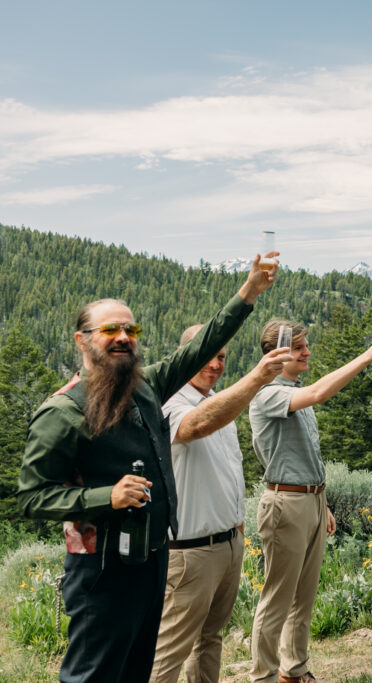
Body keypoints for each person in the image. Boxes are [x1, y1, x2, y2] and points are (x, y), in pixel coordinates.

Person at [18, 254, 277, 683]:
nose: (123, 337)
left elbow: (202, 345)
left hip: (152, 559)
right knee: (94, 675)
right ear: (82, 341)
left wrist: (248, 292)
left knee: (137, 669)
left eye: (130, 329)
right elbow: (30, 497)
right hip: (101, 571)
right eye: (110, 330)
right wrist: (108, 497)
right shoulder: (61, 412)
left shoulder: (145, 387)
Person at [248, 320, 372, 683]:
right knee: (277, 599)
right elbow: (318, 394)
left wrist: (322, 502)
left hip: (310, 502)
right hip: (285, 505)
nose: (307, 353)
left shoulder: (293, 389)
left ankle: (293, 670)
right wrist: (368, 355)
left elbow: (302, 458)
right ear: (277, 353)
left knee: (304, 597)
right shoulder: (268, 393)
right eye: (299, 347)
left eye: (306, 345)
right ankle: (262, 676)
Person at [150, 326, 292, 683]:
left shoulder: (215, 399)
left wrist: (237, 530)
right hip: (190, 553)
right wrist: (258, 377)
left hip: (227, 544)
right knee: (169, 651)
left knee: (210, 641)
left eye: (222, 357)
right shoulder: (170, 402)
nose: (215, 364)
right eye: (207, 355)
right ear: (184, 356)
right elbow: (195, 427)